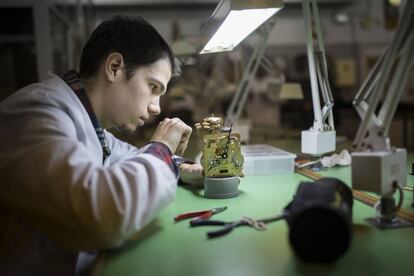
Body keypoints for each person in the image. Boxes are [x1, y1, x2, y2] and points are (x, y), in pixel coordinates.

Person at [0, 15, 202, 276]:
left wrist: (182, 167)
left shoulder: (91, 126)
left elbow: (128, 155)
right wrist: (162, 149)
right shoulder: (34, 113)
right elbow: (101, 216)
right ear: (115, 67)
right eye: (153, 87)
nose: (156, 108)